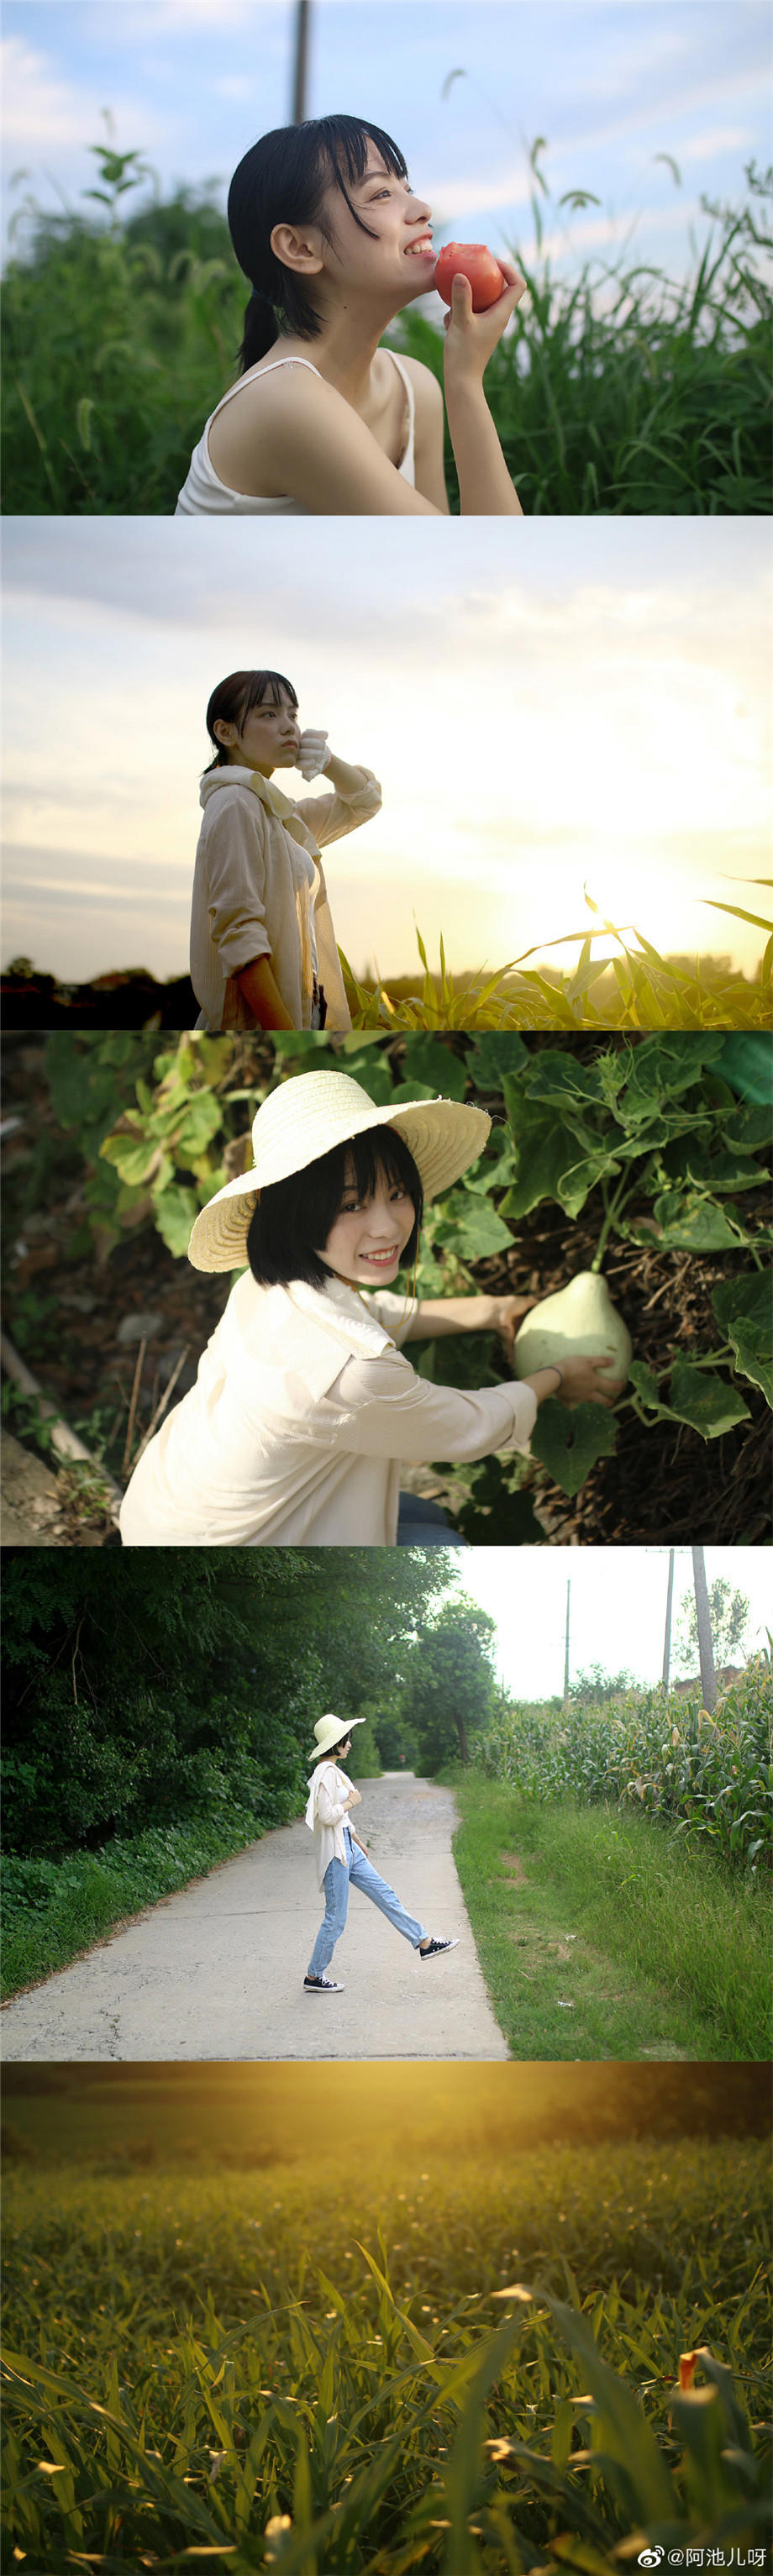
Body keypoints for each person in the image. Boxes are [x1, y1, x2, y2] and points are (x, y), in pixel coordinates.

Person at [119, 1070, 622, 1549]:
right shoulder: (353, 1374)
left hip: (163, 1504)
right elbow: (469, 1426)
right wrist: (559, 1375)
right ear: (297, 1215)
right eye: (352, 1205)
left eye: (398, 1194)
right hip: (224, 1553)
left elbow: (367, 1315)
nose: (386, 1227)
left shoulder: (266, 1284)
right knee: (443, 1544)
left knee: (428, 1516)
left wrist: (495, 1309)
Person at [176, 113, 524, 517]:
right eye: (381, 195)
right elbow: (485, 562)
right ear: (300, 248)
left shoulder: (414, 387)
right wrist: (464, 383)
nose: (422, 208)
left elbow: (446, 573)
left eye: (407, 188)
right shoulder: (286, 402)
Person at [190, 667, 380, 1032]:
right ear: (225, 731)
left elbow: (364, 803)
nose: (289, 726)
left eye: (293, 714)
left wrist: (327, 762)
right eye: (268, 714)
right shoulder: (235, 803)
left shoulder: (278, 814)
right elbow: (240, 935)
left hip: (302, 1014)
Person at [303, 1714, 457, 1991]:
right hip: (336, 1855)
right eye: (346, 1740)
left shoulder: (335, 1771)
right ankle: (314, 1976)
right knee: (336, 1918)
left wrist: (355, 1835)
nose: (350, 1744)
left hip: (348, 1847)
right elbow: (326, 1815)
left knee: (385, 1893)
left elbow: (339, 1818)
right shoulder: (324, 1774)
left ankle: (424, 1943)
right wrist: (351, 1802)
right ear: (334, 1744)